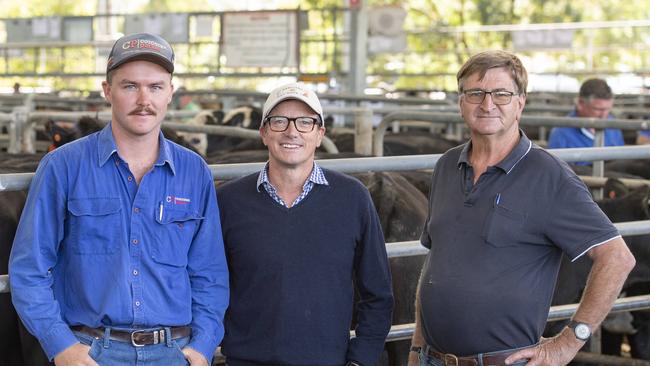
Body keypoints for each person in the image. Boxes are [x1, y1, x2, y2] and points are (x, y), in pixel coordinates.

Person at [9, 32, 229, 366]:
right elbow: (30, 267)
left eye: (155, 87)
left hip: (174, 351)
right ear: (107, 91)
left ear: (170, 92)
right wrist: (61, 346)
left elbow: (209, 272)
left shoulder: (194, 171)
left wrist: (202, 347)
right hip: (91, 352)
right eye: (130, 86)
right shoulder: (63, 166)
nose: (144, 99)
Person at [408, 50, 635, 366]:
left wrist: (567, 344)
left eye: (501, 94)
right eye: (476, 93)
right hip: (433, 359)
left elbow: (617, 257)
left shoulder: (548, 175)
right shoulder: (447, 166)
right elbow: (436, 262)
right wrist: (417, 350)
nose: (488, 104)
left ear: (520, 103)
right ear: (461, 102)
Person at [217, 82, 393, 366]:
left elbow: (378, 295)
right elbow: (208, 284)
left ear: (319, 134)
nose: (291, 131)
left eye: (305, 122)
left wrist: (361, 360)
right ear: (263, 133)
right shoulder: (228, 200)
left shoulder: (352, 198)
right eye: (278, 121)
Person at [547, 78, 624, 152]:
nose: (604, 115)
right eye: (598, 109)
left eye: (608, 109)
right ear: (580, 103)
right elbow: (556, 164)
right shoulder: (561, 132)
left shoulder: (613, 125)